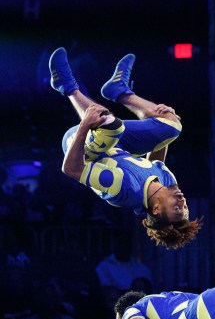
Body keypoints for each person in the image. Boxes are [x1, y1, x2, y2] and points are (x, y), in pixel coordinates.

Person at [49, 47, 203, 249]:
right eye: (185, 208)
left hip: (81, 147)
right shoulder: (169, 181)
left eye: (176, 208)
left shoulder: (124, 190)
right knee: (173, 126)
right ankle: (119, 90)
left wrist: (85, 125)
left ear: (156, 209)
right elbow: (156, 157)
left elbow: (71, 169)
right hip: (120, 144)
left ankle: (66, 86)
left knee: (112, 127)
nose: (182, 202)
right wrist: (161, 118)